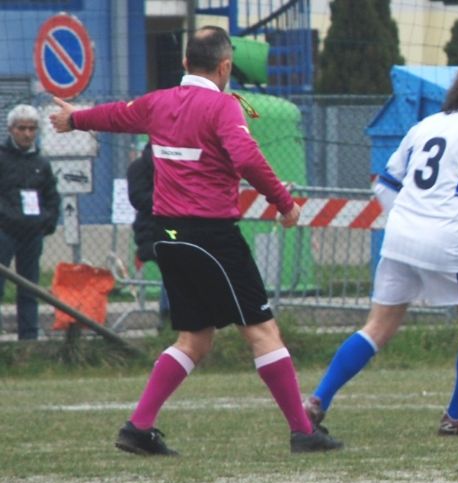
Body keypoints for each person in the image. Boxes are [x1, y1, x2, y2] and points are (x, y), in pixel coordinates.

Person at [50, 25, 342, 455]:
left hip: (168, 236)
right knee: (262, 330)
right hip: (212, 235)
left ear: (185, 63)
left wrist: (74, 117)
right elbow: (245, 157)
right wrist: (284, 203)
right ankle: (303, 431)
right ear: (225, 67)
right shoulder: (223, 108)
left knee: (195, 339)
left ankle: (138, 428)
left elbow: (115, 114)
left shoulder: (157, 103)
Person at [304, 59, 458, 437]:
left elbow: (385, 183)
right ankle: (457, 416)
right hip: (445, 241)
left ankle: (317, 400)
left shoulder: (425, 126)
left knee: (377, 326)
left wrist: (407, 217)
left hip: (399, 237)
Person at [0, 104, 60, 340]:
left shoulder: (41, 163)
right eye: (22, 128)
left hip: (32, 233)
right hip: (4, 232)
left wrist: (46, 222)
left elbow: (52, 196)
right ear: (11, 129)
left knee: (30, 288)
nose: (27, 134)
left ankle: (29, 339)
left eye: (31, 129)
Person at [126, 142, 170, 324]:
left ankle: (171, 317)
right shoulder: (140, 168)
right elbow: (139, 199)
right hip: (155, 232)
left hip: (175, 231)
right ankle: (169, 317)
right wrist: (171, 199)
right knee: (176, 267)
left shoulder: (183, 163)